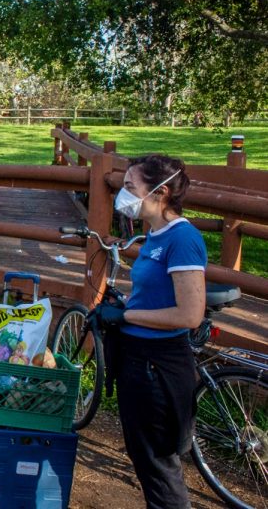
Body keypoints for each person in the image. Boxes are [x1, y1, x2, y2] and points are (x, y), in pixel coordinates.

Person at [93, 154, 207, 508]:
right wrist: (124, 306)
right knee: (144, 458)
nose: (123, 195)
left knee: (158, 465)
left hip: (159, 366)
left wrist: (127, 317)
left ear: (161, 192)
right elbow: (154, 295)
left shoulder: (182, 239)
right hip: (138, 360)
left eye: (130, 187)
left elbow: (189, 314)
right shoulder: (154, 236)